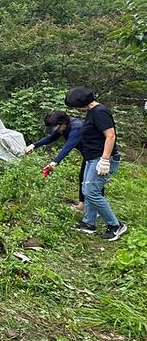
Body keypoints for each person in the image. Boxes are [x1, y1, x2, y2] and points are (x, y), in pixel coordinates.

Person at [65, 87, 126, 241]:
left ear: (81, 103)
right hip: (92, 158)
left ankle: (115, 225)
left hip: (102, 159)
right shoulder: (92, 112)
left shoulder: (100, 112)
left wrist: (105, 159)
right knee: (87, 190)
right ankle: (88, 223)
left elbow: (110, 136)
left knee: (91, 191)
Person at [24, 110, 86, 210]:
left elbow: (68, 147)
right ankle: (82, 205)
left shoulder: (76, 128)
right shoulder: (64, 127)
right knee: (83, 177)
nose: (57, 131)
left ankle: (95, 211)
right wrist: (33, 145)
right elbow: (51, 138)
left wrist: (55, 162)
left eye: (57, 128)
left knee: (91, 182)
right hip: (88, 155)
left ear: (62, 123)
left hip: (100, 155)